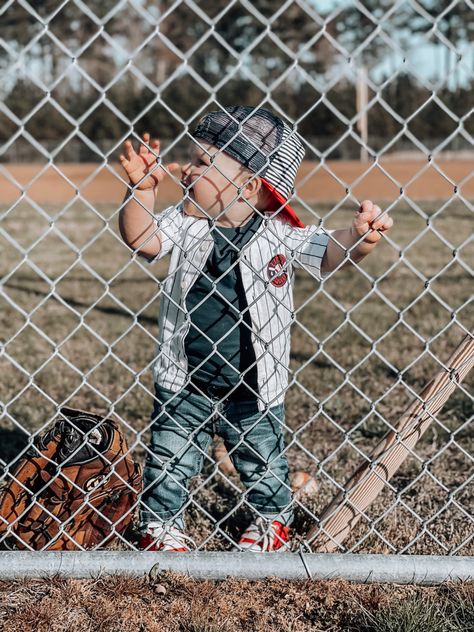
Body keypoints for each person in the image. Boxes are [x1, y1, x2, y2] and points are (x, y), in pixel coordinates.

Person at [118, 106, 393, 552]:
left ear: (249, 186)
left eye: (204, 163)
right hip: (184, 381)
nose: (186, 168)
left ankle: (270, 520)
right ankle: (161, 524)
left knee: (261, 461)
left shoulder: (277, 234)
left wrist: (359, 238)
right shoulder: (185, 223)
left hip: (254, 385)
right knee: (168, 457)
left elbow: (325, 250)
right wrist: (141, 192)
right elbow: (142, 238)